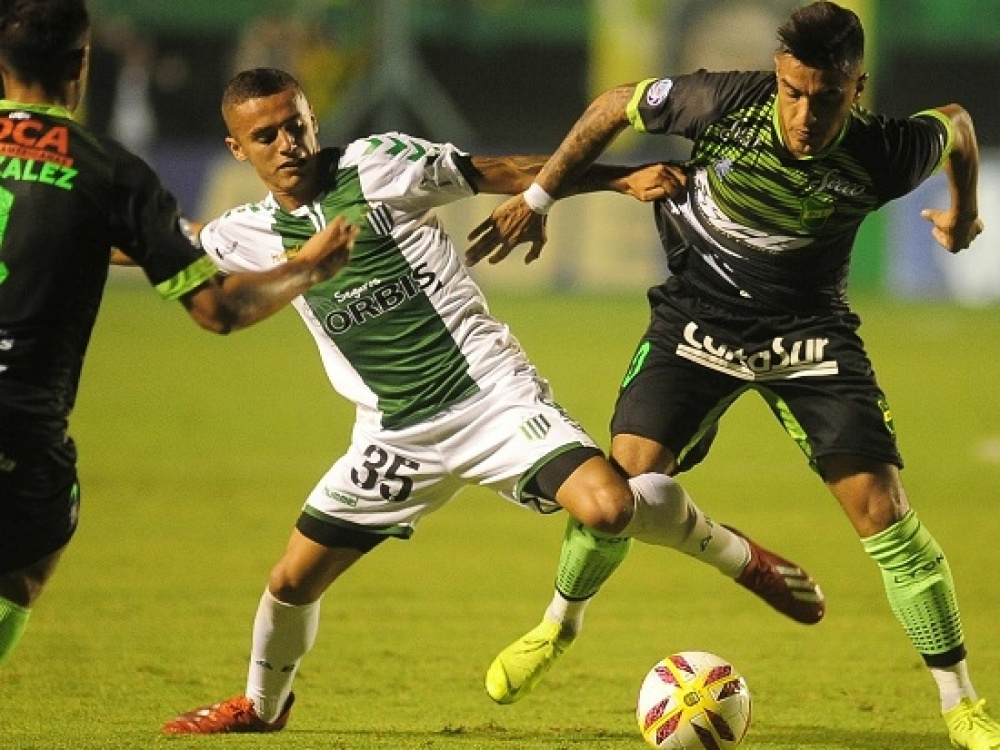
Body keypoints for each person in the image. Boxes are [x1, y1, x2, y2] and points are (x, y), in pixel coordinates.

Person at [160, 67, 823, 734]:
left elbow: (495, 170)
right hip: (394, 436)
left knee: (610, 506)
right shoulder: (246, 232)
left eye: (296, 125)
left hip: (489, 397)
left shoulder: (376, 165)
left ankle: (736, 557)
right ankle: (262, 707)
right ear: (237, 148)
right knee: (291, 581)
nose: (287, 144)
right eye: (266, 136)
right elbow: (162, 245)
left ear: (312, 120)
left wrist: (616, 178)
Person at [465, 2, 998, 748]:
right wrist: (539, 195)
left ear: (858, 88)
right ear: (777, 75)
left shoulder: (887, 150)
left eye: (827, 97)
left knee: (884, 513)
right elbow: (615, 104)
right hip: (697, 320)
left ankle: (961, 702)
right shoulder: (723, 101)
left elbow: (958, 125)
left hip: (808, 335)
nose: (804, 115)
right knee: (621, 481)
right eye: (793, 91)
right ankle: (558, 625)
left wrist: (963, 212)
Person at [0, 0, 359, 668]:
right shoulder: (110, 173)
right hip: (21, 422)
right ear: (80, 63)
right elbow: (218, 310)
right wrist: (307, 267)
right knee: (21, 568)